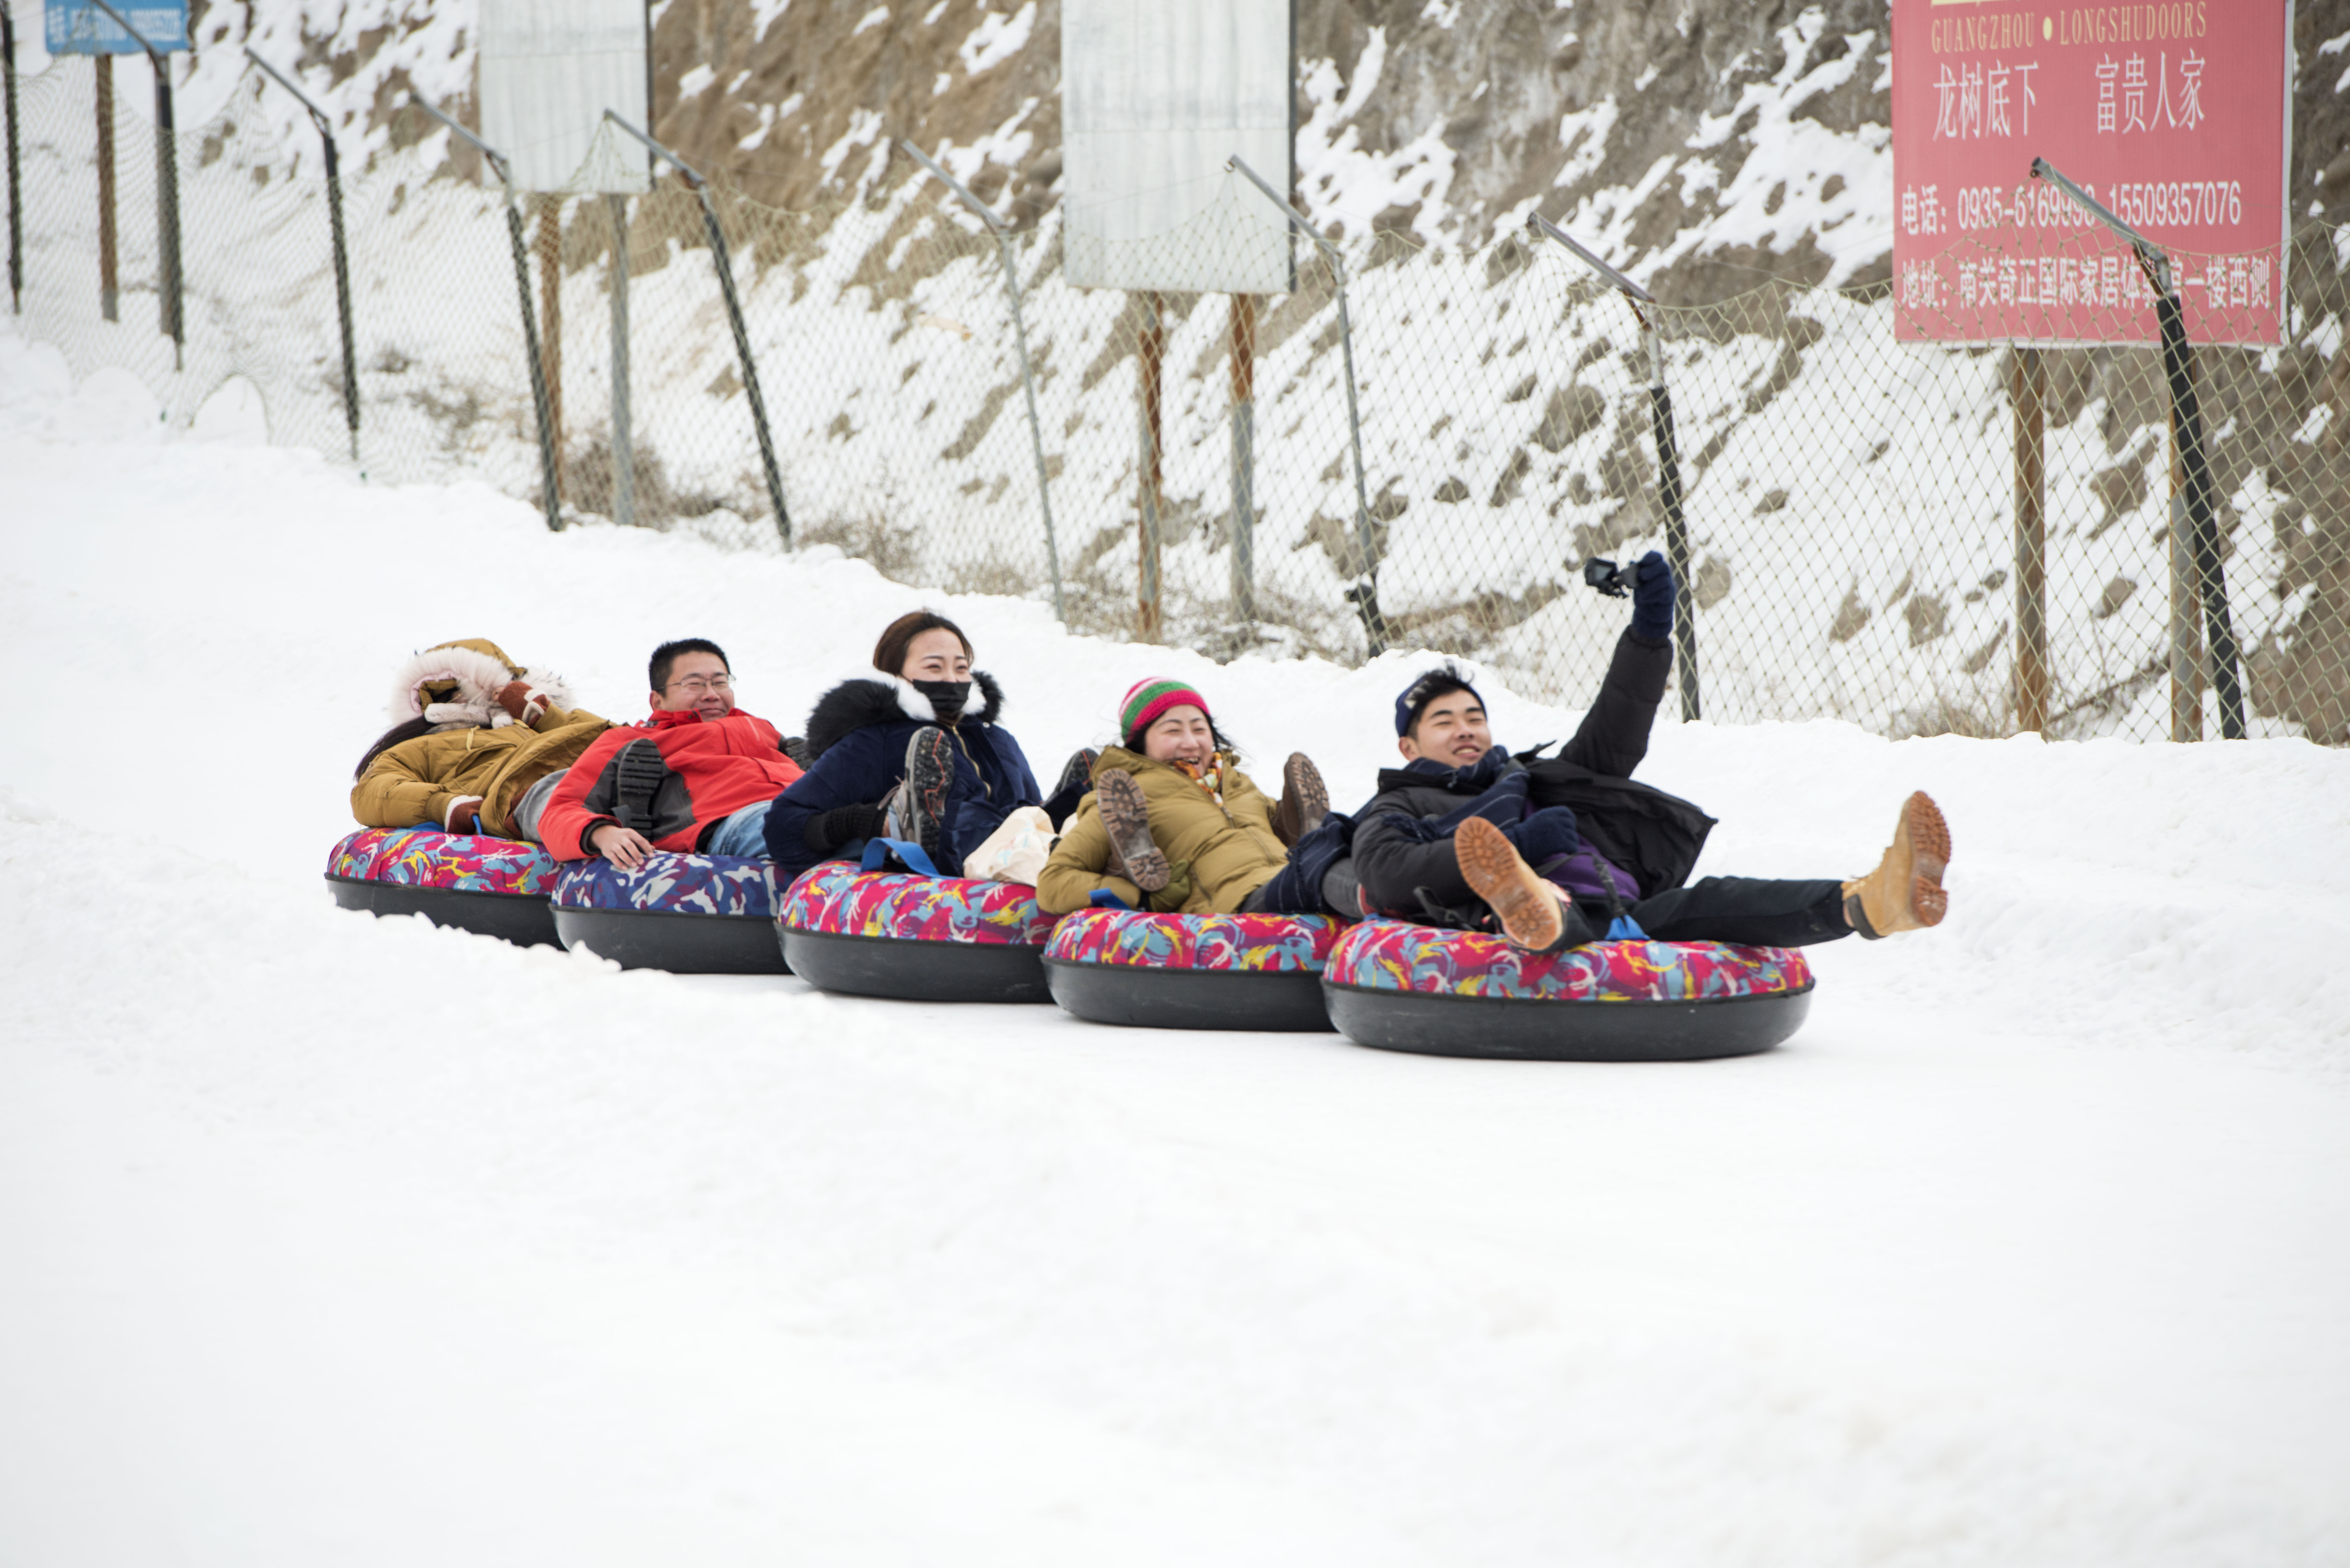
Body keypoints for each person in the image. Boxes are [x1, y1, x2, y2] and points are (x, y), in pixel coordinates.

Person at [1354, 553, 1951, 954]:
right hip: (1503, 919)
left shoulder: (1532, 779)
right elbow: (1387, 875)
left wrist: (1649, 628)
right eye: (1444, 722)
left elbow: (1618, 725)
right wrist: (1515, 850)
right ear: (1409, 746)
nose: (1466, 730)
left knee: (1719, 899)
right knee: (1548, 900)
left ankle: (1877, 899)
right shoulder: (1399, 805)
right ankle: (1529, 904)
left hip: (1622, 908)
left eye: (1475, 717)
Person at [764, 610, 1051, 879]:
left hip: (1019, 853)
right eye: (934, 667)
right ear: (896, 677)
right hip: (956, 870)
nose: (952, 679)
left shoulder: (998, 740)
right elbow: (783, 825)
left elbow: (1031, 814)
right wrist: (870, 822)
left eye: (962, 668)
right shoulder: (879, 741)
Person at [1035, 678, 1356, 918]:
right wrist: (1140, 897)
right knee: (1318, 873)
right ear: (1140, 744)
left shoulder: (1238, 785)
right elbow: (1054, 883)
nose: (1190, 743)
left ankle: (1385, 893)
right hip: (1236, 904)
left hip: (1285, 878)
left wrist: (1292, 822)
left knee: (1350, 845)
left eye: (1200, 730)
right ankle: (1372, 895)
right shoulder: (1125, 797)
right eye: (1173, 731)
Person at [538, 638, 805, 868]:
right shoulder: (629, 741)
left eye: (720, 683)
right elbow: (559, 811)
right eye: (695, 684)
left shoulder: (763, 730)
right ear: (658, 700)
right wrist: (602, 833)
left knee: (835, 819)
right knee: (795, 826)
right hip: (728, 824)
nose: (712, 694)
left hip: (802, 806)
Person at [351, 637, 610, 840]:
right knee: (552, 794)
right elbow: (373, 791)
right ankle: (596, 827)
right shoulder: (424, 745)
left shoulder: (534, 726)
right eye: (459, 692)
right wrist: (441, 805)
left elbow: (608, 740)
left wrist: (544, 716)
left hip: (583, 775)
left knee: (620, 754)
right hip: (515, 797)